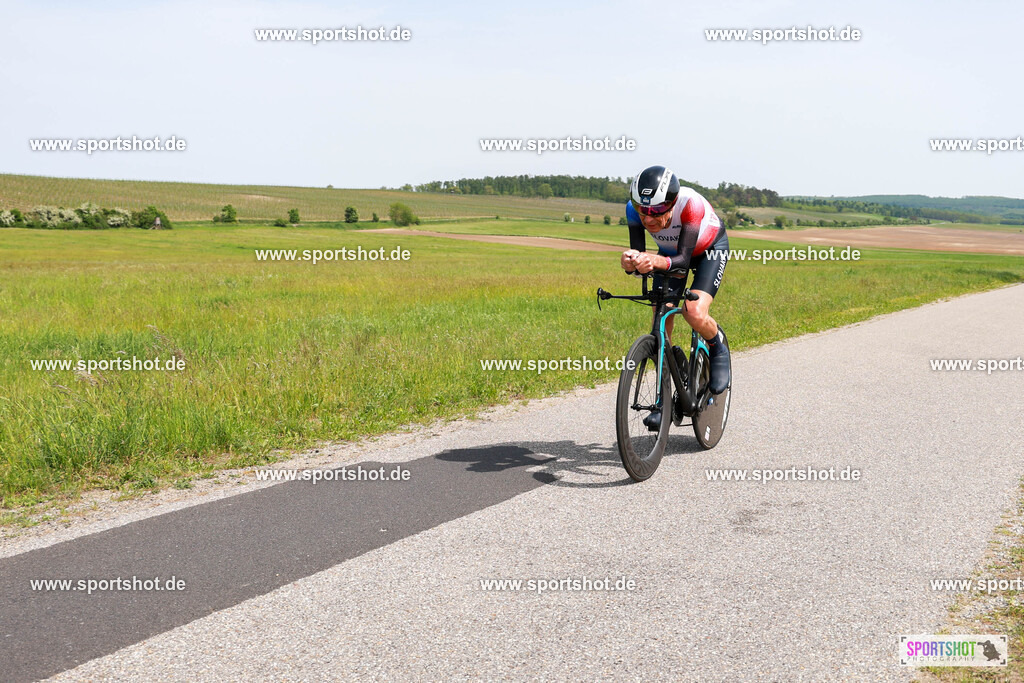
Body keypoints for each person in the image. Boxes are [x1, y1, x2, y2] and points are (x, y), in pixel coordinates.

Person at [620, 165, 731, 431]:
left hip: (708, 251)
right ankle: (663, 401)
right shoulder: (632, 210)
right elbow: (639, 255)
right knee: (660, 321)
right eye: (643, 211)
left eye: (656, 212)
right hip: (670, 255)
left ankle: (718, 348)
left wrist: (654, 260)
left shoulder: (690, 205)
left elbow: (682, 258)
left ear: (671, 204)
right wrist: (630, 262)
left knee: (693, 312)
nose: (648, 220)